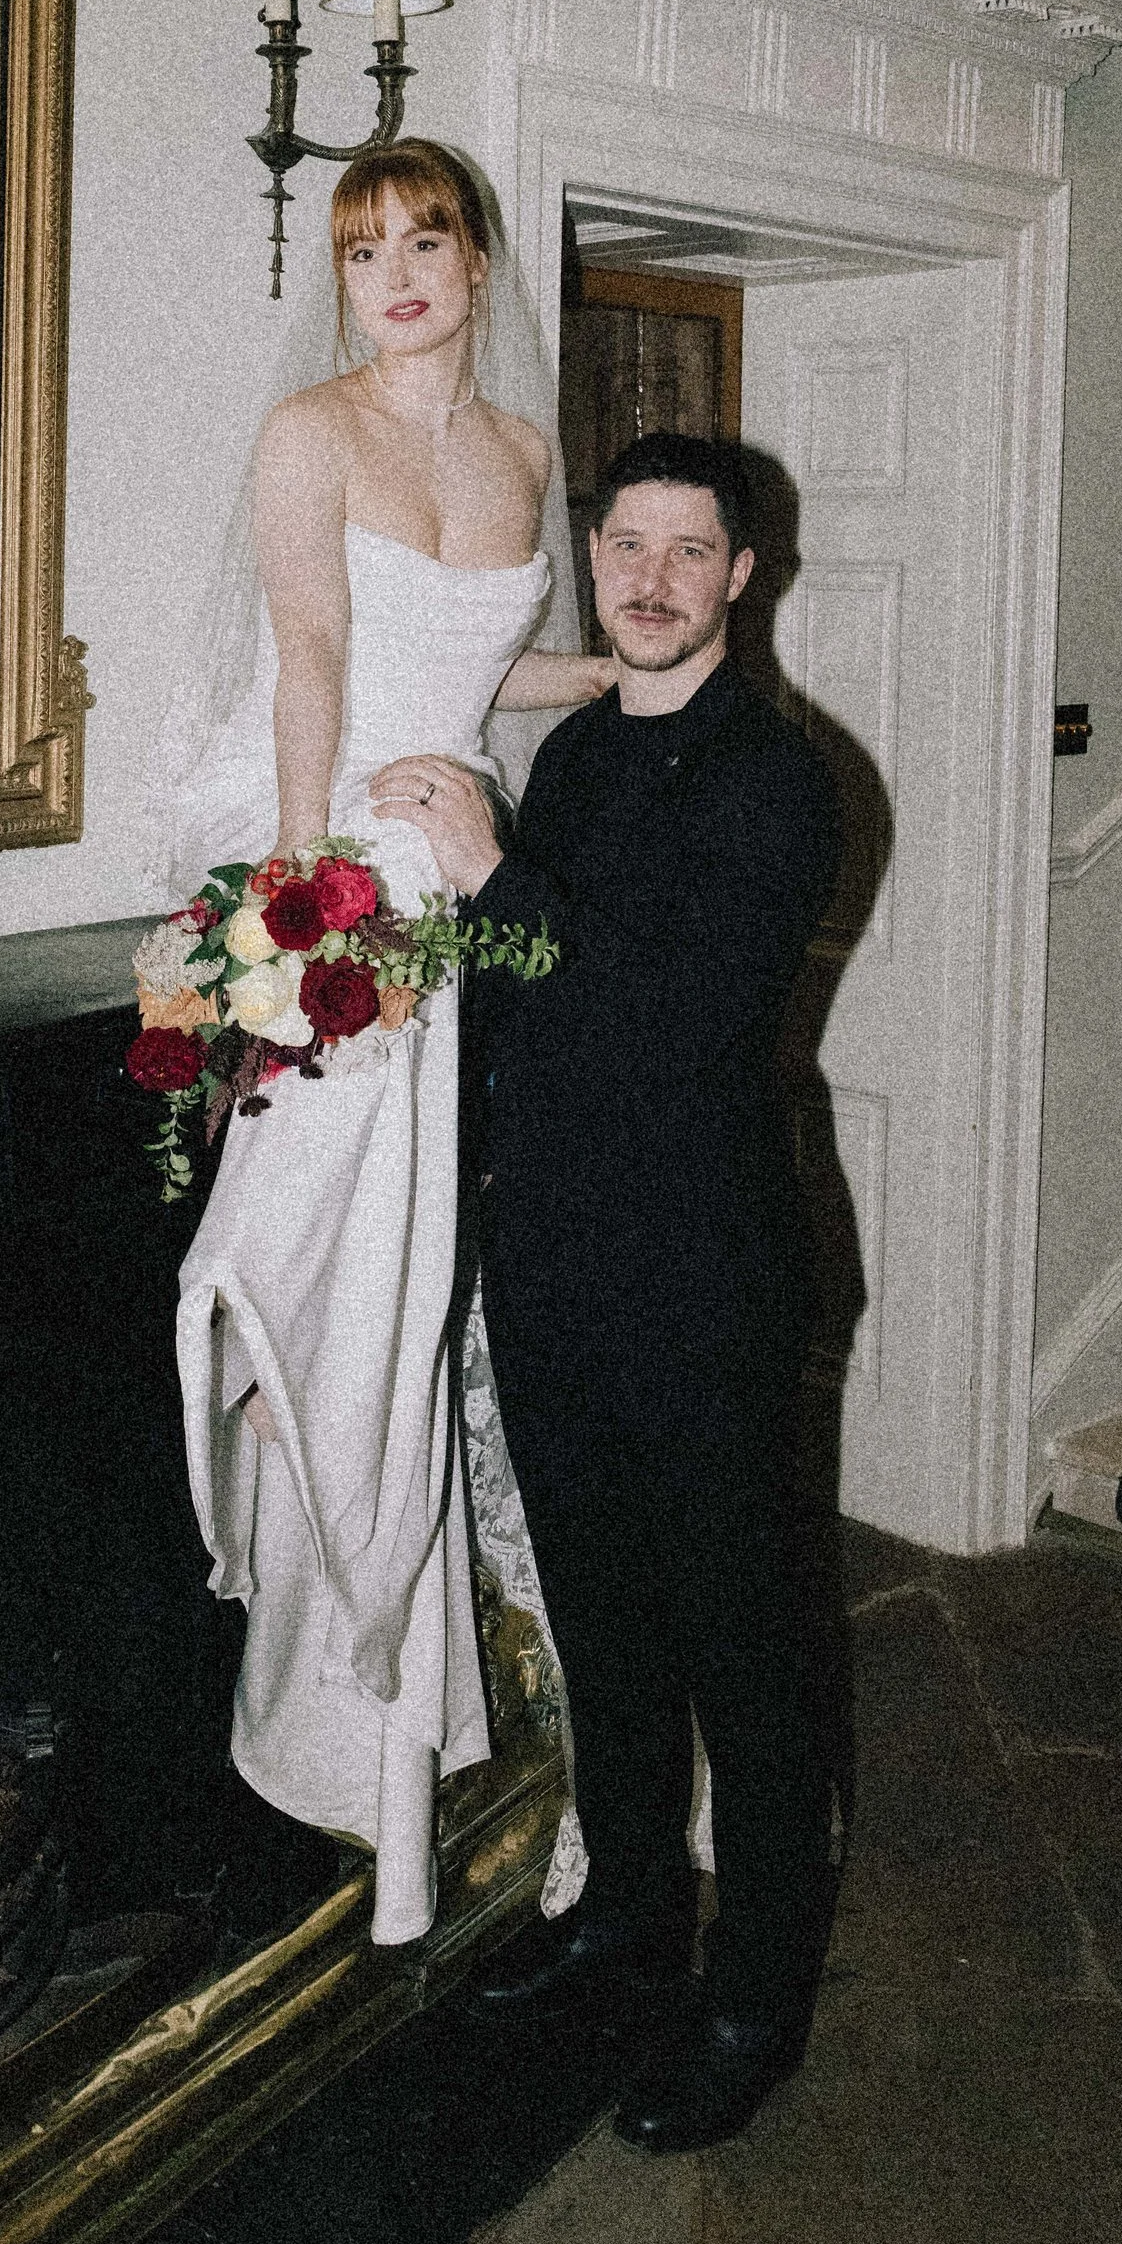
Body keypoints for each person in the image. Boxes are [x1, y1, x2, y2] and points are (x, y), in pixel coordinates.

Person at [368, 430, 844, 2151]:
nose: (645, 578)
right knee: (607, 1629)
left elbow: (673, 1022)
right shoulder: (569, 758)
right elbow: (522, 988)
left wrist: (496, 877)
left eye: (685, 549)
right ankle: (633, 1910)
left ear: (744, 576)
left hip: (708, 1280)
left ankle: (757, 1990)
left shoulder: (781, 782)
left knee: (743, 1644)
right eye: (623, 543)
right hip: (555, 1263)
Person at [166, 139, 611, 1945]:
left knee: (414, 1284)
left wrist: (657, 661)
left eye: (427, 238)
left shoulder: (520, 452)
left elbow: (487, 661)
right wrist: (304, 907)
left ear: (480, 258)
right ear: (341, 279)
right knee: (321, 1268)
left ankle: (388, 1738)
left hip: (456, 854)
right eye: (366, 250)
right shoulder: (307, 433)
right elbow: (318, 659)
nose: (399, 272)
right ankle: (327, 1677)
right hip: (338, 853)